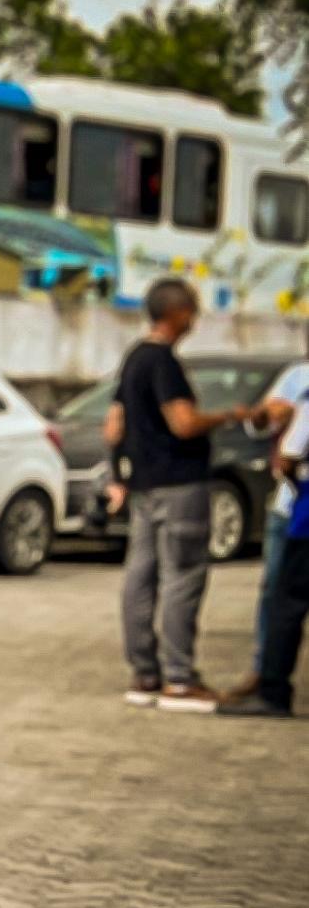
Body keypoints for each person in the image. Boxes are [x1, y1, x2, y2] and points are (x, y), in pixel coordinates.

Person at [107, 277, 270, 713]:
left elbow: (114, 425)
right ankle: (179, 679)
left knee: (140, 577)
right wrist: (229, 415)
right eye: (192, 310)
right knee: (183, 577)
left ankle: (144, 674)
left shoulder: (134, 358)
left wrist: (119, 474)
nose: (195, 318)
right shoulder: (163, 361)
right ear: (177, 313)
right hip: (179, 482)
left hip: (144, 485)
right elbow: (182, 423)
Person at [216, 354, 309, 719]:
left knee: (288, 598)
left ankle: (273, 687)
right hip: (288, 506)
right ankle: (264, 670)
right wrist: (264, 417)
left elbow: (291, 450)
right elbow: (263, 422)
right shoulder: (297, 376)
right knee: (276, 592)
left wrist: (289, 464)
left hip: (302, 507)